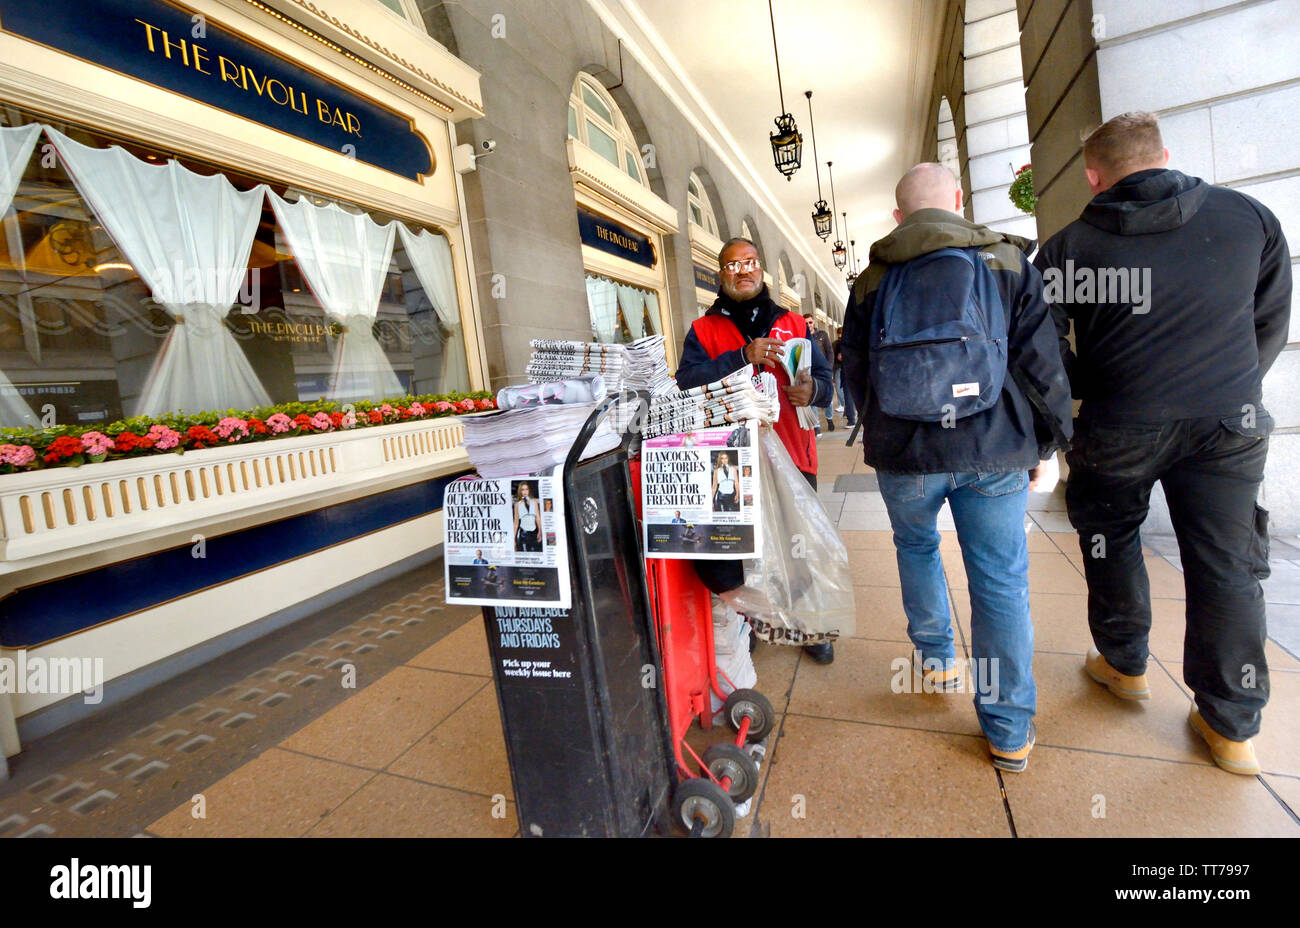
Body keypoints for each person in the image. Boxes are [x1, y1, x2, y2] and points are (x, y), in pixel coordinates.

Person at [1034, 112, 1292, 775]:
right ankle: (1231, 725)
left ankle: (1123, 664)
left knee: (1110, 534)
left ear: (1093, 177)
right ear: (1165, 155)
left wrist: (1090, 389)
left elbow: (1041, 349)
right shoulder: (1250, 219)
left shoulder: (1067, 247)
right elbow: (1267, 318)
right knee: (1227, 561)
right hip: (1227, 424)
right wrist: (1231, 385)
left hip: (1120, 422)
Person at [841, 163, 1073, 771]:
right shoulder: (1006, 263)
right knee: (999, 579)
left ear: (899, 217)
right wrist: (1049, 445)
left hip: (907, 453)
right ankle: (1007, 730)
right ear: (959, 200)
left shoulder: (870, 280)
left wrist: (882, 433)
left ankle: (937, 657)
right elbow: (1040, 364)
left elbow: (857, 373)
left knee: (915, 548)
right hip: (993, 448)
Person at [677, 237, 836, 663]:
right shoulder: (704, 330)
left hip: (792, 452)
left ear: (761, 269)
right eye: (732, 266)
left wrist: (814, 390)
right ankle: (752, 620)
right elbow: (686, 383)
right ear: (720, 274)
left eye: (749, 263)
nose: (742, 271)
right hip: (728, 463)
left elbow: (825, 379)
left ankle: (806, 623)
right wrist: (741, 356)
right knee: (739, 549)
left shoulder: (794, 324)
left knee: (797, 541)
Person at [804, 312, 836, 432]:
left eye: (810, 322)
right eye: (806, 323)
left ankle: (829, 418)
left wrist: (829, 368)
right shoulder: (803, 336)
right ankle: (816, 425)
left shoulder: (822, 335)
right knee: (811, 398)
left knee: (827, 396)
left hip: (823, 371)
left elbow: (830, 352)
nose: (808, 325)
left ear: (814, 322)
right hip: (809, 372)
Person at [832, 326, 857, 427]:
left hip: (852, 371)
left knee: (851, 395)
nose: (840, 338)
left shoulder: (852, 343)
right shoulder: (837, 344)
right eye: (839, 336)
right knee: (847, 394)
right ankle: (850, 416)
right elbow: (835, 357)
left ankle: (851, 416)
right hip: (844, 371)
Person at [512, 482, 542, 552]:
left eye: (526, 489)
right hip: (523, 534)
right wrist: (513, 539)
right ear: (520, 491)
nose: (525, 491)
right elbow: (516, 523)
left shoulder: (534, 502)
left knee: (535, 554)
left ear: (529, 490)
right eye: (522, 489)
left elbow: (538, 518)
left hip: (534, 533)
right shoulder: (517, 505)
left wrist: (540, 531)